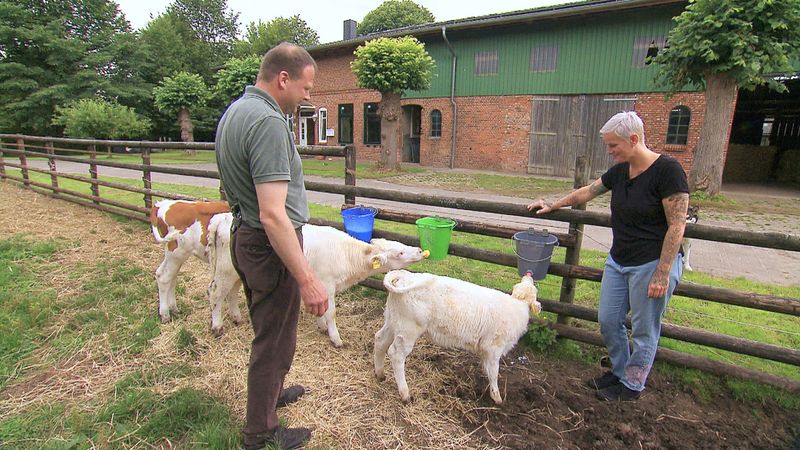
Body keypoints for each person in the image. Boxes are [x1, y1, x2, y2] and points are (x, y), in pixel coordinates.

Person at [527, 111, 688, 401]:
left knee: (643, 329)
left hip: (651, 263)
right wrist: (553, 204)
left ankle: (632, 385)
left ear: (634, 139)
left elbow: (677, 224)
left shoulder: (668, 171)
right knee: (609, 320)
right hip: (619, 260)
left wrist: (663, 271)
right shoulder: (620, 171)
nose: (610, 151)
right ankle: (619, 371)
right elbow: (587, 191)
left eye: (614, 145)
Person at [215, 42, 329, 449]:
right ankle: (260, 431)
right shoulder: (266, 121)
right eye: (306, 86)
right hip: (268, 244)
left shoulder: (236, 112)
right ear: (284, 78)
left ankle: (271, 395)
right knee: (273, 338)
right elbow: (274, 214)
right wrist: (308, 278)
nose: (308, 95)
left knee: (273, 328)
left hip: (247, 237)